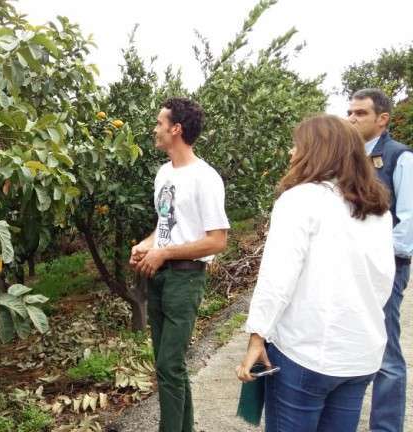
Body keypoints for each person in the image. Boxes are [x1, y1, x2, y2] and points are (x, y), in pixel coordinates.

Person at [237, 115, 395, 431]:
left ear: (318, 151)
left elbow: (277, 279)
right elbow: (382, 281)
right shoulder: (377, 208)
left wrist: (257, 336)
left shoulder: (300, 199)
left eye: (298, 145)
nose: (291, 153)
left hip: (308, 353)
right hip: (359, 353)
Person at [129, 97, 229, 432]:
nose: (155, 129)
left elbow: (217, 240)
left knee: (170, 365)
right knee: (167, 366)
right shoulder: (163, 173)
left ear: (176, 129)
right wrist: (145, 246)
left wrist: (165, 253)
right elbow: (166, 226)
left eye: (160, 123)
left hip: (185, 280)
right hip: (159, 276)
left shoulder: (205, 178)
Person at [348, 88, 413, 432]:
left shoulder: (399, 158)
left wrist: (378, 260)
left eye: (360, 113)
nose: (352, 119)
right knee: (354, 343)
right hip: (350, 271)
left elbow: (408, 223)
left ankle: (386, 428)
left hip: (386, 269)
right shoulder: (347, 158)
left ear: (382, 119)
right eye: (350, 112)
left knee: (386, 354)